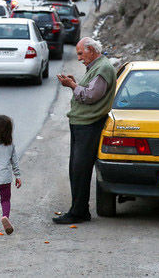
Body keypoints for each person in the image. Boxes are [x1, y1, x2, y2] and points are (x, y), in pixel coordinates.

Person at [54, 37, 117, 224]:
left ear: (91, 50)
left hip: (89, 125)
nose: (80, 58)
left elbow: (90, 95)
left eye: (81, 54)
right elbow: (89, 90)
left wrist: (73, 86)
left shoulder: (103, 67)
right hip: (82, 123)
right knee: (76, 168)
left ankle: (79, 212)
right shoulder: (98, 66)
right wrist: (75, 84)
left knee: (80, 169)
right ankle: (78, 209)